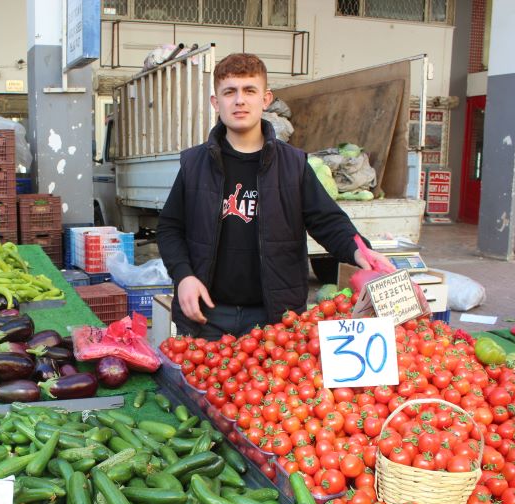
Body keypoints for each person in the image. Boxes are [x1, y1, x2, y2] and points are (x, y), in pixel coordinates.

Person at [156, 53, 390, 338]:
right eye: (229, 92)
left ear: (265, 100)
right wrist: (184, 277)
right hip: (207, 315)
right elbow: (169, 228)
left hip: (274, 318)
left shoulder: (293, 165)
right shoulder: (194, 165)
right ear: (216, 103)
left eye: (249, 91)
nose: (239, 101)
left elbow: (327, 221)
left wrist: (358, 250)